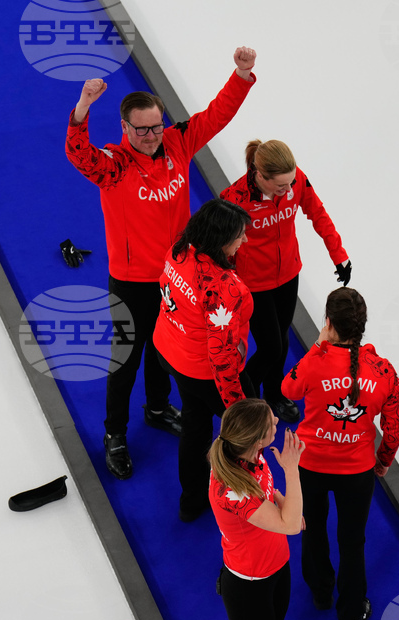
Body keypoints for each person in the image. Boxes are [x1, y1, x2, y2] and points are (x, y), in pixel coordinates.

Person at [65, 47, 258, 481]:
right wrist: (82, 108)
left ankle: (156, 407)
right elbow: (79, 155)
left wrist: (241, 74)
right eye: (143, 129)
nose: (152, 135)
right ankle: (114, 433)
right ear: (125, 127)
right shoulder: (113, 166)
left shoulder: (177, 141)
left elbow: (216, 115)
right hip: (131, 282)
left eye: (157, 126)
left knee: (164, 350)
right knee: (125, 361)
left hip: (176, 277)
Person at [281, 287, 399, 620]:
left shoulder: (316, 361)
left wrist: (318, 347)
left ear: (328, 323)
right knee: (353, 540)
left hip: (311, 466)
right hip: (357, 471)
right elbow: (394, 425)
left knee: (312, 529)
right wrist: (383, 461)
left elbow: (287, 390)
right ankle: (350, 615)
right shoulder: (383, 371)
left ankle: (320, 593)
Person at [221, 139, 350, 423]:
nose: (289, 191)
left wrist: (338, 255)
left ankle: (274, 393)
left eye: (291, 183)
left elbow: (318, 214)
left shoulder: (296, 180)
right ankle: (244, 398)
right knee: (271, 347)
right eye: (281, 186)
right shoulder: (234, 198)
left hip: (288, 274)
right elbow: (219, 247)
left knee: (280, 338)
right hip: (254, 284)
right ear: (259, 175)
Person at [154, 199, 256, 522]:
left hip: (173, 353)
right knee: (245, 436)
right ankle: (245, 504)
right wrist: (239, 407)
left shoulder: (180, 249)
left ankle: (191, 501)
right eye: (240, 236)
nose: (245, 241)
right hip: (204, 369)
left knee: (195, 425)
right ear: (222, 240)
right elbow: (222, 357)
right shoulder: (223, 288)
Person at [207, 398, 305, 620]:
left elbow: (268, 492)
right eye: (271, 422)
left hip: (277, 565)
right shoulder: (233, 490)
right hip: (250, 583)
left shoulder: (250, 454)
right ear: (256, 440)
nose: (276, 421)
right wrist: (292, 469)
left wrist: (286, 504)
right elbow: (291, 526)